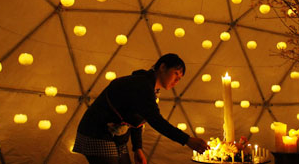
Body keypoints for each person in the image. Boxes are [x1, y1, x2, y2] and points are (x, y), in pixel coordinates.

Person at [73, 53, 209, 164]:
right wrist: (187, 140)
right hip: (96, 133)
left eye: (179, 79)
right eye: (175, 74)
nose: (176, 81)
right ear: (162, 67)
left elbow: (137, 118)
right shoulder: (141, 85)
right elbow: (156, 121)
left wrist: (137, 148)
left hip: (116, 136)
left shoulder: (151, 89)